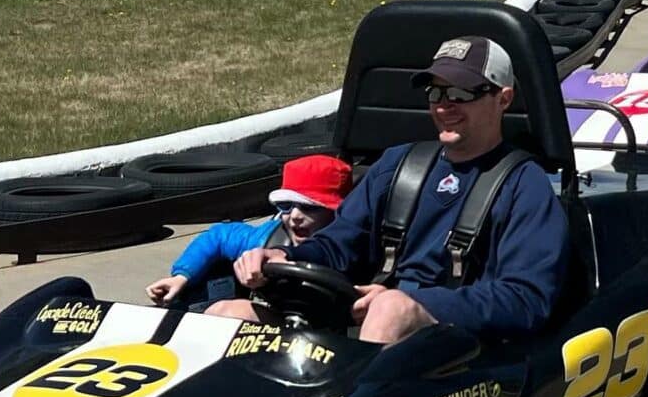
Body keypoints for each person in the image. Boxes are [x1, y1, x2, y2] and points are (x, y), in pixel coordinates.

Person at [218, 35, 570, 345]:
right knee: (227, 314)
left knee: (390, 309)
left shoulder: (525, 185)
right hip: (368, 321)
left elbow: (526, 300)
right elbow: (339, 244)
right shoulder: (398, 164)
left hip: (457, 345)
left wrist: (413, 304)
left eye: (462, 93)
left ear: (503, 99)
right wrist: (285, 259)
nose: (444, 105)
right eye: (436, 92)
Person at [145, 153, 353, 309]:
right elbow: (218, 236)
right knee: (223, 311)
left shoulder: (353, 247)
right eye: (286, 205)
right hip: (276, 323)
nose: (295, 216)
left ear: (336, 212)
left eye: (309, 207)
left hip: (333, 333)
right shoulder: (265, 239)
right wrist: (182, 276)